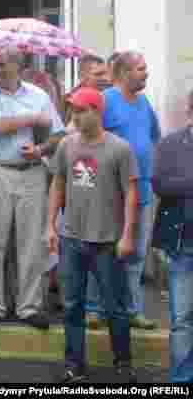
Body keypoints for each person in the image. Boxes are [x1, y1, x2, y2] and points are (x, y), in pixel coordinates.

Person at [46, 87, 137, 384]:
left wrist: (127, 235)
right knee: (72, 305)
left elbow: (131, 193)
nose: (75, 116)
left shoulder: (119, 148)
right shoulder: (66, 145)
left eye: (81, 110)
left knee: (115, 307)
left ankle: (123, 363)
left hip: (107, 241)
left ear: (97, 112)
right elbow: (58, 183)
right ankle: (74, 364)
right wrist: (50, 226)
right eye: (73, 110)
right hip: (71, 238)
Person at [0, 45, 64, 331]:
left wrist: (40, 149)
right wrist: (34, 118)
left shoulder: (38, 95)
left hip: (31, 172)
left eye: (2, 64)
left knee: (32, 242)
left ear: (18, 65)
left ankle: (29, 306)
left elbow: (58, 134)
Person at [94, 50, 161, 330]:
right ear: (123, 73)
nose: (146, 73)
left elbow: (154, 137)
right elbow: (88, 139)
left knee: (135, 255)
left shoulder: (144, 102)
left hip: (142, 191)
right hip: (111, 192)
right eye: (141, 69)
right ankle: (97, 310)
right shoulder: (106, 100)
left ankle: (132, 310)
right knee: (102, 252)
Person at [151, 88, 193, 383]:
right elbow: (161, 185)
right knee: (182, 320)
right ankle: (181, 379)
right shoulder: (170, 144)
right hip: (183, 243)